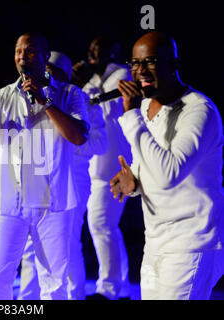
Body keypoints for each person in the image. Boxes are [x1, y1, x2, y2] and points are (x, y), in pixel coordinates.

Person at [0, 33, 89, 300]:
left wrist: (45, 102)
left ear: (45, 57)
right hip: (8, 201)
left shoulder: (69, 94)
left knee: (54, 284)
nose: (22, 56)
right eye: (18, 51)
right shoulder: (1, 97)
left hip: (53, 201)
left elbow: (78, 136)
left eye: (29, 51)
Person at [111, 31, 224, 300]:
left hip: (191, 243)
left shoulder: (199, 111)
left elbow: (169, 174)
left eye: (150, 62)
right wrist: (135, 182)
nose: (140, 71)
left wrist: (130, 117)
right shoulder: (147, 105)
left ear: (173, 64)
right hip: (156, 241)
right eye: (135, 63)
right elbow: (149, 163)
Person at [18, 51, 107, 300]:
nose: (44, 75)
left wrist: (70, 143)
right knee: (30, 247)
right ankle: (28, 301)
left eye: (51, 71)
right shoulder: (29, 98)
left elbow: (100, 144)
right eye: (42, 69)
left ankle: (74, 297)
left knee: (65, 245)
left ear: (65, 76)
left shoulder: (84, 101)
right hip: (38, 179)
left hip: (73, 180)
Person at [73, 36, 133, 300]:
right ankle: (119, 288)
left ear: (114, 50)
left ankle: (109, 290)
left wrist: (84, 86)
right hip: (95, 168)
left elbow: (109, 111)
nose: (92, 51)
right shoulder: (92, 81)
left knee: (101, 224)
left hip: (114, 167)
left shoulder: (123, 73)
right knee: (104, 226)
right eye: (91, 47)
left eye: (100, 46)